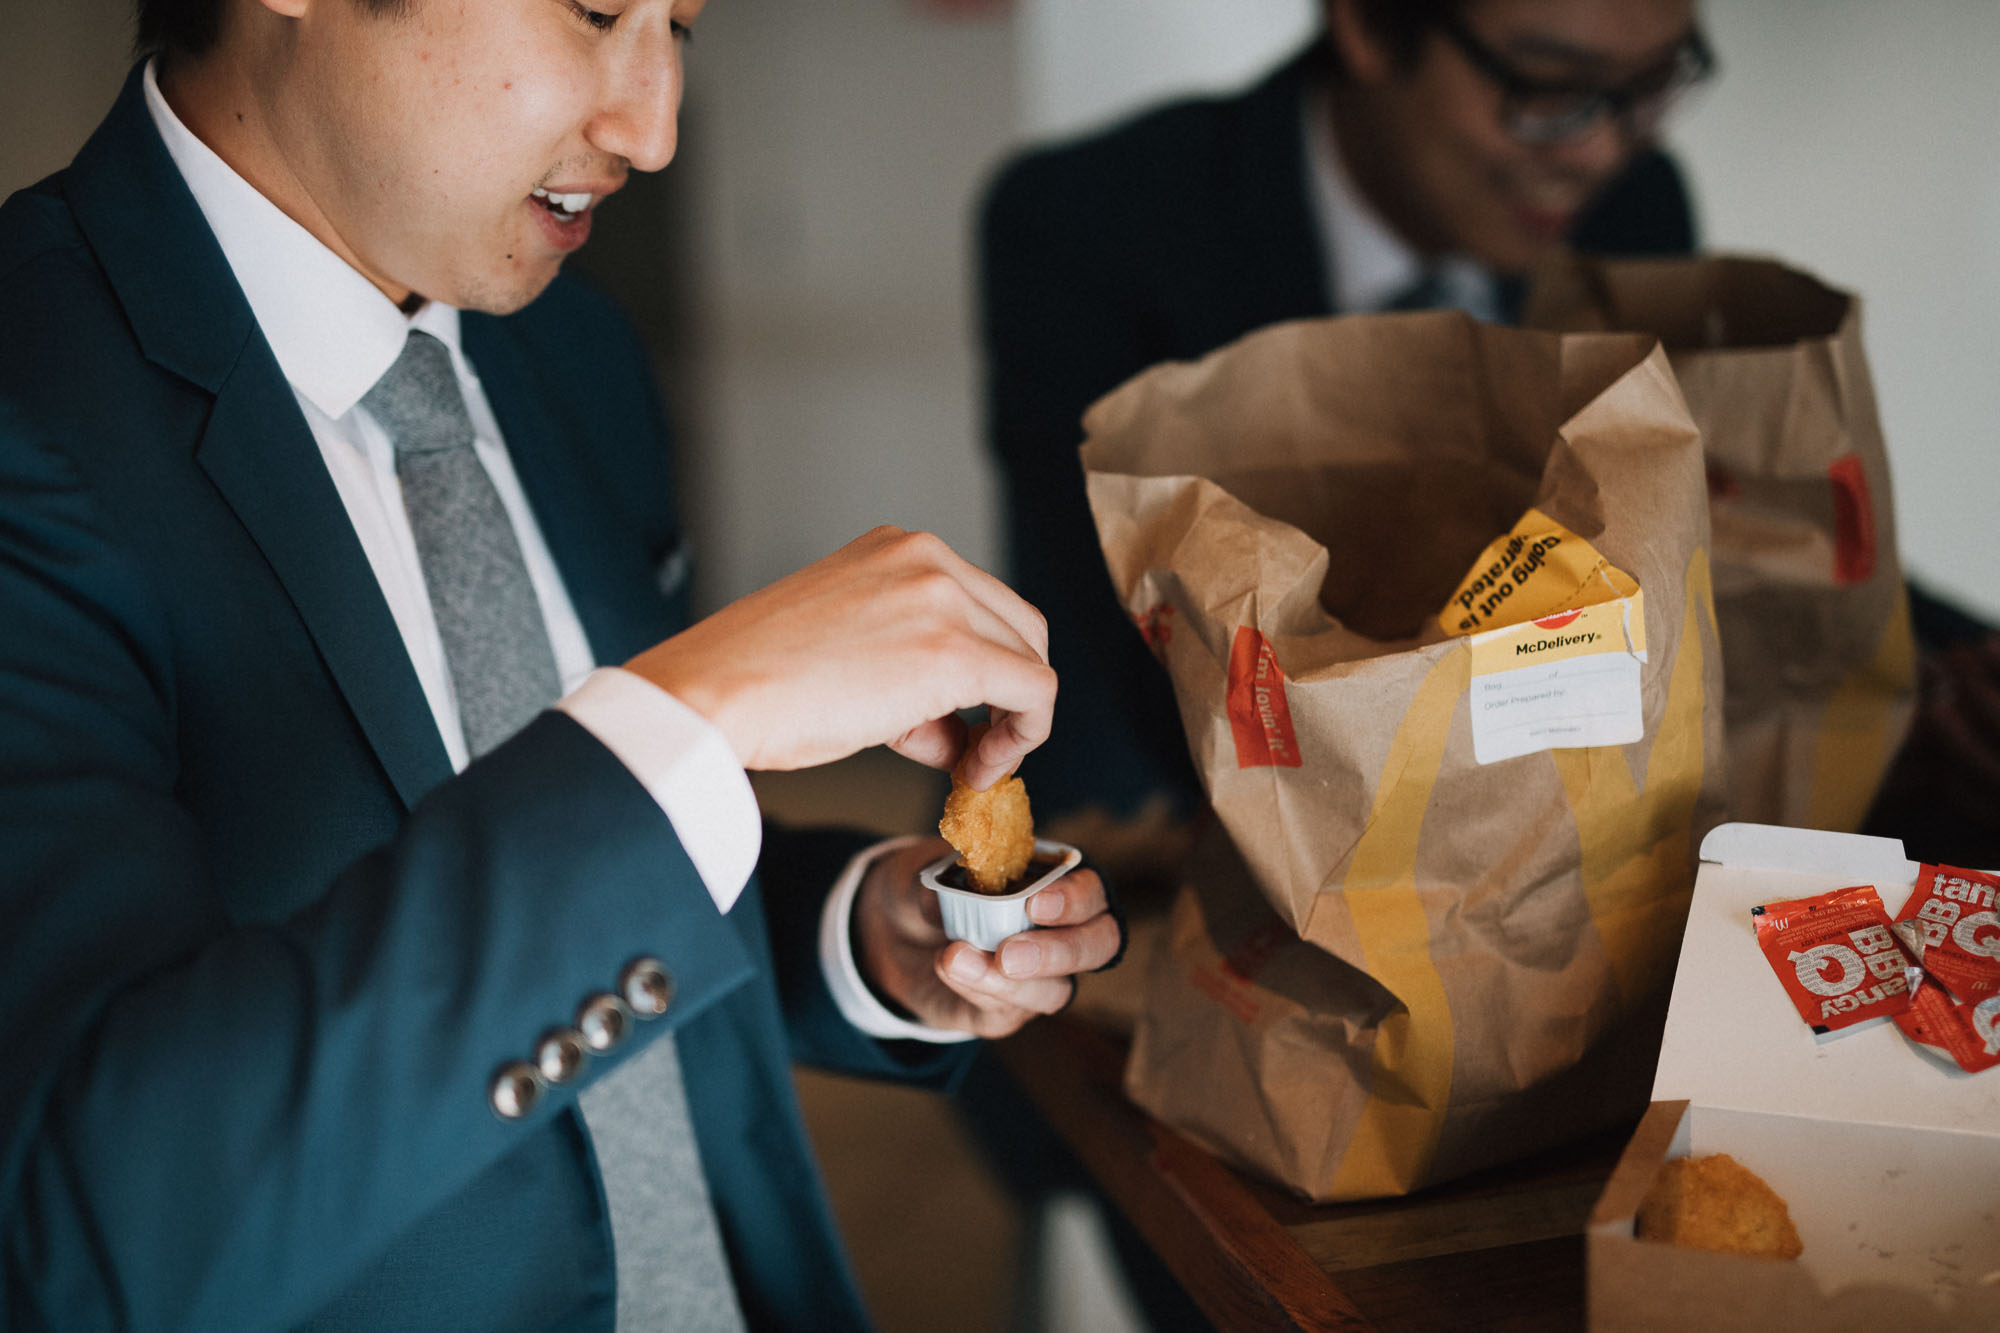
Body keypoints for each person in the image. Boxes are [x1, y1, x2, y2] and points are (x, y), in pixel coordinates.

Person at [0, 0, 1123, 1329]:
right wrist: (697, 706)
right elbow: (92, 1227)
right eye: (596, 10)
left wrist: (852, 937)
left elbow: (584, 871)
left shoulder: (573, 355)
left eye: (683, 30)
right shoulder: (30, 396)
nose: (652, 127)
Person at [979, 0, 1708, 840]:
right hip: (1153, 839)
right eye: (1549, 88)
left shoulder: (1638, 209)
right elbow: (1126, 644)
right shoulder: (1087, 224)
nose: (1600, 150)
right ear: (1364, 24)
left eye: (1652, 86)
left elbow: (1678, 531)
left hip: (1548, 837)